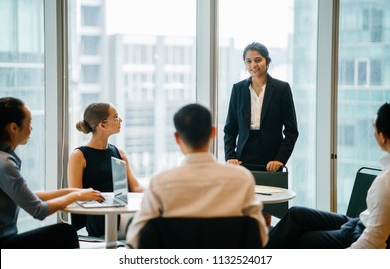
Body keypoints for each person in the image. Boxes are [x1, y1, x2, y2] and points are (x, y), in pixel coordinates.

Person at [126, 103, 268, 248]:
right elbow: (259, 235)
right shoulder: (242, 179)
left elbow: (136, 238)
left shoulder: (160, 182)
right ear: (213, 132)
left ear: (177, 137)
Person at [267, 102, 390, 249]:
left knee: (300, 239)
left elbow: (372, 243)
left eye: (374, 128)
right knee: (296, 214)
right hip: (359, 222)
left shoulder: (385, 183)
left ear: (382, 137)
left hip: (360, 234)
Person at [0, 97, 104, 249]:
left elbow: (28, 196)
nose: (31, 129)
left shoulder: (4, 159)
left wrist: (74, 191)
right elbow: (39, 210)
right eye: (29, 123)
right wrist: (77, 195)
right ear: (13, 128)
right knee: (65, 232)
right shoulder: (5, 164)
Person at [67, 102, 143, 238]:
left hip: (119, 214)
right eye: (116, 117)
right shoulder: (79, 156)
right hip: (93, 218)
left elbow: (136, 188)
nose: (120, 120)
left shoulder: (120, 153)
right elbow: (76, 195)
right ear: (102, 125)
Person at [224, 42, 298, 172]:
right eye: (248, 61)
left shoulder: (282, 89)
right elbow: (230, 128)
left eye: (258, 60)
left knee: (272, 192)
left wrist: (280, 159)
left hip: (272, 159)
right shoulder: (238, 89)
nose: (253, 65)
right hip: (242, 159)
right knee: (244, 192)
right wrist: (230, 156)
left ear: (268, 62)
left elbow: (291, 131)